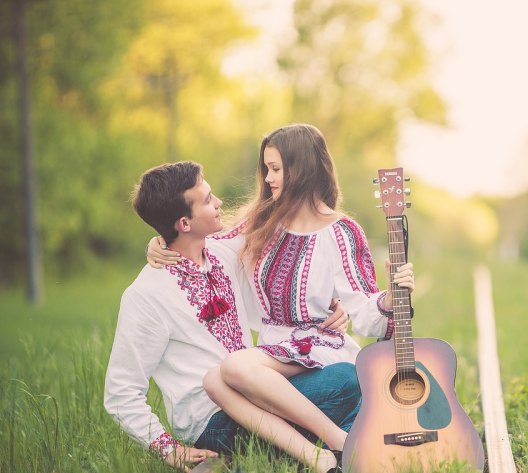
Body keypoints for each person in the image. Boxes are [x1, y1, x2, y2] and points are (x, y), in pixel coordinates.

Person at [147, 123, 415, 459]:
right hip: (271, 357)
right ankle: (328, 449)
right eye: (266, 169)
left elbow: (364, 309)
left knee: (233, 369)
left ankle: (338, 441)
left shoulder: (342, 231)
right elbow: (207, 246)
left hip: (319, 350)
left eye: (275, 169)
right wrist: (160, 240)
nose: (268, 178)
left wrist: (390, 298)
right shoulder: (262, 221)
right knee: (216, 380)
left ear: (301, 169)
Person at [105, 161, 359, 473]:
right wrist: (169, 450)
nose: (219, 203)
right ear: (184, 223)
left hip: (259, 389)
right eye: (208, 199)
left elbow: (284, 244)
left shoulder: (224, 253)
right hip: (212, 420)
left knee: (350, 378)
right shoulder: (146, 295)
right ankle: (321, 453)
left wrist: (331, 307)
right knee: (348, 384)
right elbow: (121, 392)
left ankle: (268, 463)